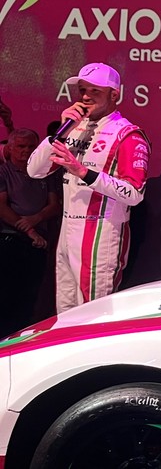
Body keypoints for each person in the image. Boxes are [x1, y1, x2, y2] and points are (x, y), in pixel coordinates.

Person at [28, 63, 150, 313]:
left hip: (100, 233)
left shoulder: (127, 134)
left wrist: (84, 172)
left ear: (114, 95)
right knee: (65, 311)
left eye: (95, 91)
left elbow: (134, 194)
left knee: (93, 313)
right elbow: (34, 170)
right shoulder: (74, 128)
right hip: (67, 230)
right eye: (82, 90)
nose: (85, 97)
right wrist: (61, 132)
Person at [0, 129, 60, 335]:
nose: (26, 151)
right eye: (21, 146)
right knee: (7, 294)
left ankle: (21, 340)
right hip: (11, 240)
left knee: (30, 295)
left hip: (39, 242)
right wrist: (29, 230)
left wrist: (36, 219)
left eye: (31, 147)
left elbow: (54, 205)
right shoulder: (3, 172)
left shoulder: (45, 172)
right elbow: (1, 207)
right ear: (10, 148)